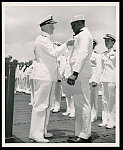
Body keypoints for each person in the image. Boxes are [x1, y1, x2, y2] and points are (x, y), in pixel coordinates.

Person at [29, 14, 74, 143]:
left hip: (49, 76)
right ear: (46, 26)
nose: (54, 27)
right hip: (43, 76)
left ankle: (42, 131)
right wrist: (66, 44)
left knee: (47, 105)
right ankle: (35, 133)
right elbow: (54, 53)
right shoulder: (41, 39)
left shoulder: (46, 40)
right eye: (52, 25)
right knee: (40, 105)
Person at [66, 15, 93, 143]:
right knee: (78, 105)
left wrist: (75, 73)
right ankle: (79, 133)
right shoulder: (80, 35)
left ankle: (85, 134)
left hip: (81, 73)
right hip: (78, 72)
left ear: (79, 23)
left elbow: (82, 53)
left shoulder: (84, 35)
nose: (72, 28)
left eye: (73, 26)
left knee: (84, 104)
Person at [98, 34, 116, 129]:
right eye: (105, 41)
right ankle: (105, 120)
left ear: (113, 42)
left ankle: (112, 121)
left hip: (112, 79)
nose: (106, 42)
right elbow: (101, 68)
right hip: (104, 79)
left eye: (108, 41)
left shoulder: (116, 53)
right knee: (104, 100)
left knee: (112, 101)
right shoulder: (103, 54)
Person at [89, 39, 102, 122]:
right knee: (87, 99)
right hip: (86, 79)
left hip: (93, 78)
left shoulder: (96, 55)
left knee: (94, 98)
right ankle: (88, 115)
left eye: (93, 45)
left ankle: (94, 115)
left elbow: (98, 68)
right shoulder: (85, 54)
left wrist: (96, 80)